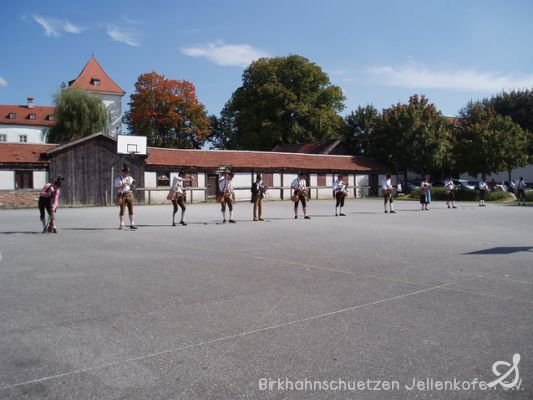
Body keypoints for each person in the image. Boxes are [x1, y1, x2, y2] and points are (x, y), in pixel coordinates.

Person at [114, 164, 137, 230]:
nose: (126, 173)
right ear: (122, 172)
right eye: (125, 172)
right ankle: (121, 224)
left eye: (127, 172)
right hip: (122, 194)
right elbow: (116, 187)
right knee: (122, 210)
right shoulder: (118, 179)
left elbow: (132, 187)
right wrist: (122, 186)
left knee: (131, 209)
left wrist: (133, 186)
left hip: (129, 194)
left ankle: (132, 224)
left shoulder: (130, 178)